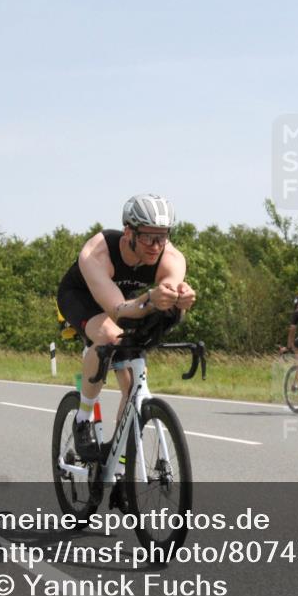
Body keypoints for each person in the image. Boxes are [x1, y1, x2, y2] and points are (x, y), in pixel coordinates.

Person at [56, 193, 195, 460]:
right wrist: (151, 300)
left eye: (162, 237)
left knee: (132, 382)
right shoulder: (96, 253)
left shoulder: (172, 258)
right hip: (82, 297)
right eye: (147, 237)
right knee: (110, 336)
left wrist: (181, 298)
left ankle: (119, 466)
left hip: (128, 301)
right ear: (128, 232)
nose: (156, 246)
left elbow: (166, 300)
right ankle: (83, 419)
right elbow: (119, 313)